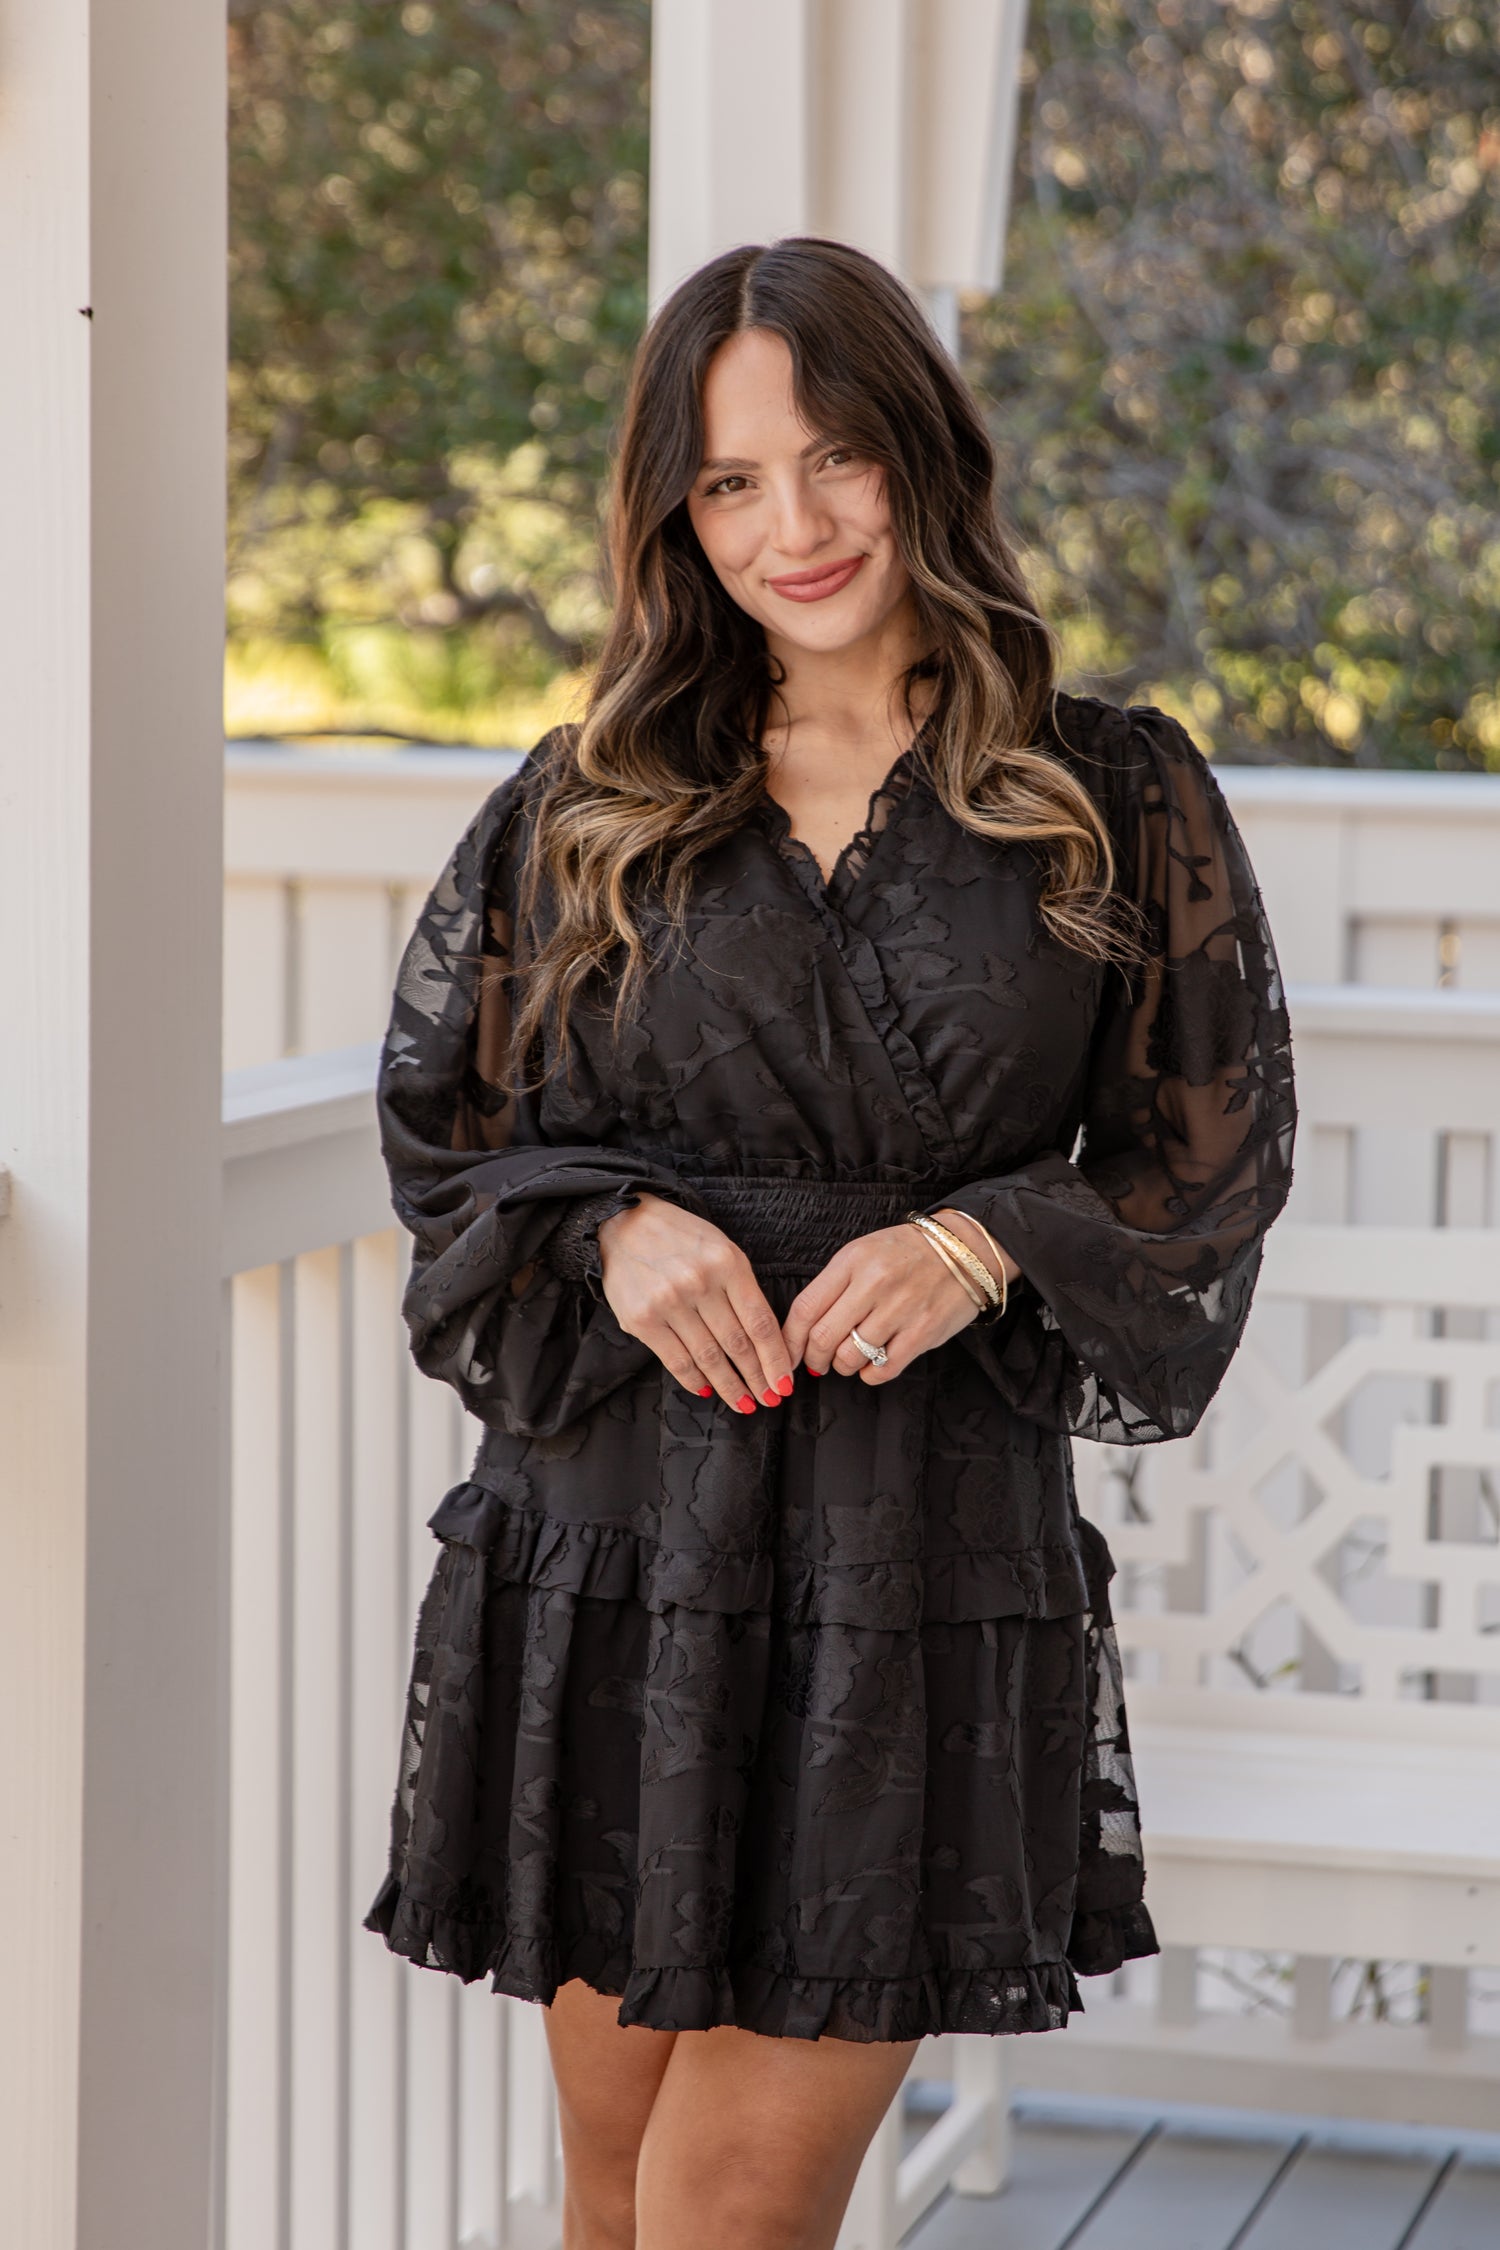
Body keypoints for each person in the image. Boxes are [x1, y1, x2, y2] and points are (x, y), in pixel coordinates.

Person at [364, 236, 1296, 2250]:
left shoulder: (1108, 793)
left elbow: (1207, 1158)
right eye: (728, 483)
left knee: (727, 2201)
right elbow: (455, 1129)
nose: (791, 526)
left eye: (836, 458)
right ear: (673, 513)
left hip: (914, 1553)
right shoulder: (598, 792)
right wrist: (608, 1228)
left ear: (921, 457)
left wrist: (985, 1240)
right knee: (611, 2189)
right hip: (624, 1540)